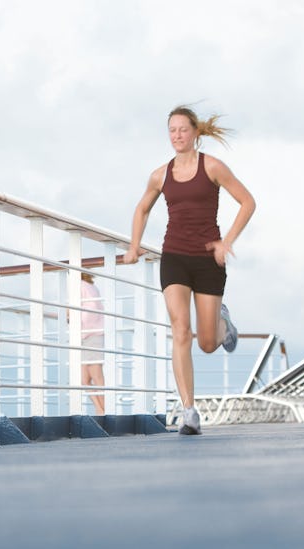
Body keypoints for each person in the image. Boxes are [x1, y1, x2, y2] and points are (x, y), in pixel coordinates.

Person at [122, 105, 256, 435]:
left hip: (209, 259)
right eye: (172, 130)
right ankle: (189, 412)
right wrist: (134, 245)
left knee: (207, 343)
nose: (177, 136)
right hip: (175, 257)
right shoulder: (160, 174)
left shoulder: (212, 166)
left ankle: (223, 325)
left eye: (183, 129)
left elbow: (247, 201)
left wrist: (227, 241)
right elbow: (142, 209)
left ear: (195, 133)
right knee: (181, 330)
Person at [79, 272, 106, 415]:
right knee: (85, 379)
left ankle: (104, 411)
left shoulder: (81, 286)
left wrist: (74, 320)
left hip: (90, 334)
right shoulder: (91, 287)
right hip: (89, 335)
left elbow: (89, 311)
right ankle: (101, 409)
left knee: (95, 376)